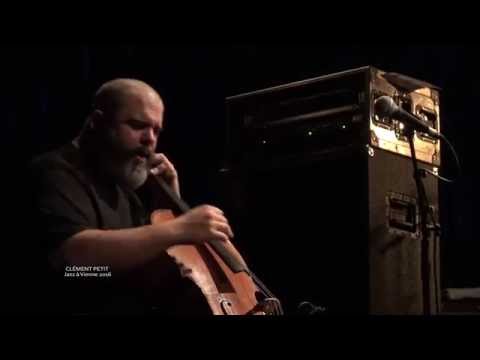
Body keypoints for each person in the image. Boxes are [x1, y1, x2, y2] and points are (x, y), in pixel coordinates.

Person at [27, 78, 235, 315]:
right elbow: (72, 266)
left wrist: (171, 199)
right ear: (96, 122)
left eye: (156, 130)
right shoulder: (54, 172)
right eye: (137, 125)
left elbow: (142, 260)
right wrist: (179, 228)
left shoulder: (124, 192)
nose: (150, 139)